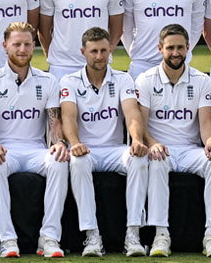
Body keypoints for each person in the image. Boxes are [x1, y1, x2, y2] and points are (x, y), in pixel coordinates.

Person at [0, 22, 68, 258]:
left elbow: (54, 123)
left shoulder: (48, 81)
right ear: (5, 46)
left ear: (34, 45)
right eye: (16, 44)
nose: (22, 49)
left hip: (36, 150)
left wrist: (58, 143)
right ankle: (7, 239)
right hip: (5, 151)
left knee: (59, 160)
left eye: (27, 44)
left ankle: (49, 237)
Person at [135, 23, 211, 257]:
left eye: (180, 48)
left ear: (188, 48)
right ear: (160, 49)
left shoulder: (202, 80)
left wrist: (210, 143)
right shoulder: (145, 80)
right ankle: (160, 234)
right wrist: (152, 143)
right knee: (156, 161)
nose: (175, 53)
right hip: (161, 148)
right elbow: (141, 125)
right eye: (170, 48)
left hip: (190, 150)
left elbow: (206, 123)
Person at [60, 27, 148, 257]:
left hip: (114, 150)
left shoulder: (123, 78)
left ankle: (133, 234)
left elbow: (132, 114)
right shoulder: (69, 81)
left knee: (138, 159)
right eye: (94, 51)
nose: (99, 56)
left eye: (104, 51)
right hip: (86, 150)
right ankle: (91, 235)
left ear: (111, 51)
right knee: (78, 162)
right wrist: (75, 142)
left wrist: (137, 140)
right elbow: (68, 117)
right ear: (83, 52)